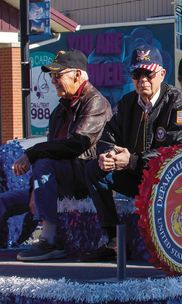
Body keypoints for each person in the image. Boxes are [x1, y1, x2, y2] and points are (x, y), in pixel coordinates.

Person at [83, 44, 182, 261]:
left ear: (162, 74)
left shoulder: (180, 103)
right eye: (137, 74)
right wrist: (108, 155)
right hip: (136, 175)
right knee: (94, 168)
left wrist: (133, 160)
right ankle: (113, 240)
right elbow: (107, 136)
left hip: (169, 182)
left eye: (148, 73)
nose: (143, 80)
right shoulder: (127, 102)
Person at [14, 50, 113, 261]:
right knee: (4, 201)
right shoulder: (60, 110)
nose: (53, 81)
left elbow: (77, 145)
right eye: (52, 76)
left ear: (77, 75)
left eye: (58, 75)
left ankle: (49, 240)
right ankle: (20, 240)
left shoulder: (96, 102)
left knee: (43, 162)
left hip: (88, 178)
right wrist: (34, 189)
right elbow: (50, 152)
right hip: (63, 177)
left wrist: (31, 153)